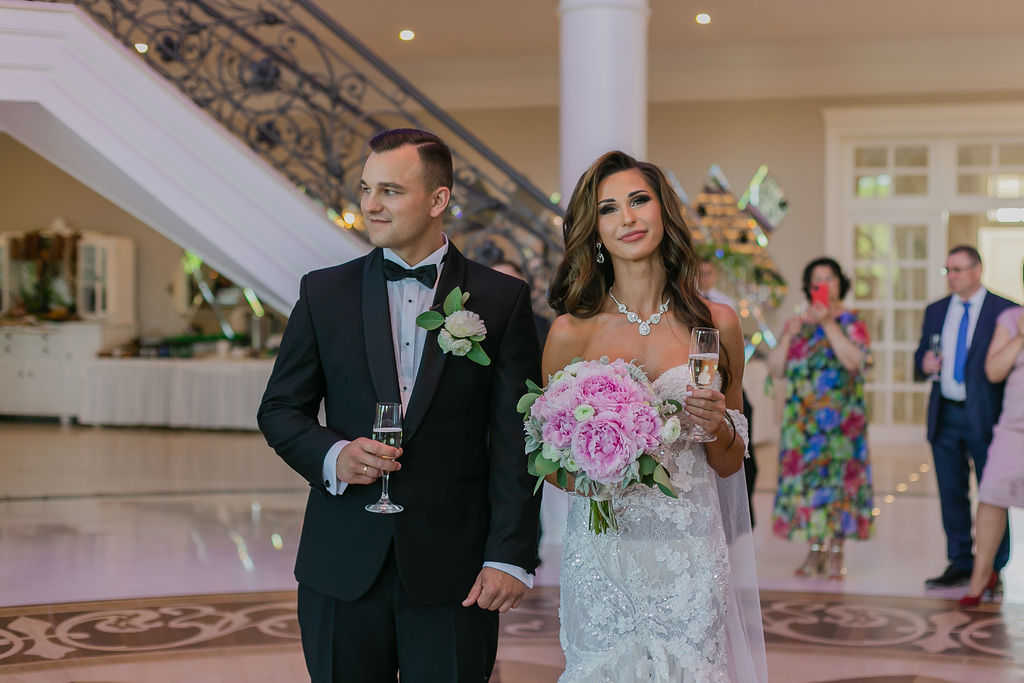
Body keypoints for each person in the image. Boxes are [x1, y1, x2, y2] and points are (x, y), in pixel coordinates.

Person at [257, 128, 543, 683]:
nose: (370, 205)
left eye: (389, 190)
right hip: (340, 565)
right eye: (366, 189)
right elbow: (280, 409)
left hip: (456, 572)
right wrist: (333, 455)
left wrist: (510, 554)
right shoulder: (323, 293)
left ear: (438, 200)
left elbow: (519, 439)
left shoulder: (501, 300)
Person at [543, 151, 767, 681]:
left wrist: (715, 425)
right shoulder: (571, 332)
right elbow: (548, 462)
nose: (627, 217)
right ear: (596, 230)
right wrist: (600, 466)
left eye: (639, 200)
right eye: (609, 208)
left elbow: (730, 463)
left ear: (663, 212)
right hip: (603, 556)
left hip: (688, 556)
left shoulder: (717, 324)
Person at [916, 245, 1016, 589]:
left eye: (958, 270)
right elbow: (920, 357)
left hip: (987, 416)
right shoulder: (936, 310)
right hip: (945, 413)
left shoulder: (1005, 310)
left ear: (977, 270)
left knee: (992, 494)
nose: (952, 277)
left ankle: (992, 567)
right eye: (948, 270)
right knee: (951, 492)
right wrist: (924, 363)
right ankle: (960, 561)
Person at [768, 257, 873, 581]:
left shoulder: (851, 322)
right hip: (803, 425)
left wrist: (827, 323)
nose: (824, 284)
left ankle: (837, 549)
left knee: (840, 484)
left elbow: (855, 361)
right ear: (808, 286)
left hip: (842, 425)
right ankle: (815, 548)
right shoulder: (798, 324)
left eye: (830, 278)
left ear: (840, 283)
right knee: (808, 486)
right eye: (817, 279)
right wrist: (789, 336)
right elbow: (776, 369)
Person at [960, 271, 1024, 607]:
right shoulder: (1012, 319)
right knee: (990, 496)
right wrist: (1020, 337)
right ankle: (980, 578)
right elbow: (993, 371)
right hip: (1013, 429)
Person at [700, 256, 759, 527]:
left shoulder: (723, 308)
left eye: (707, 272)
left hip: (720, 377)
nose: (703, 277)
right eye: (699, 272)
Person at [490, 258, 552, 348]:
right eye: (496, 283)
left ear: (524, 280)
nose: (504, 287)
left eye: (509, 279)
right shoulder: (486, 329)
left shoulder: (543, 324)